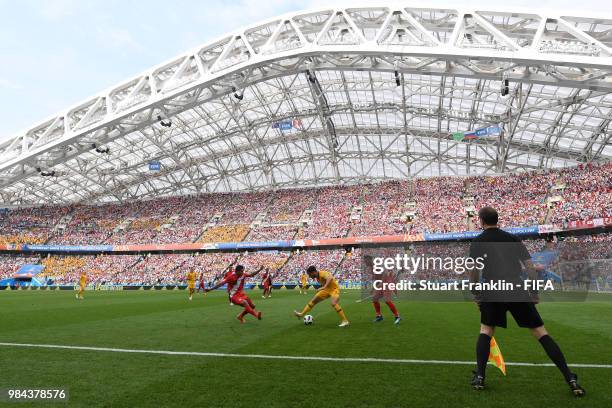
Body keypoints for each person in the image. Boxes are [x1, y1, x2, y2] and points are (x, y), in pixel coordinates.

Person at [468, 207, 585, 396]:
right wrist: (534, 291)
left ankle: (480, 376)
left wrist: (475, 292)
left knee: (486, 330)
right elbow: (530, 268)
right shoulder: (513, 239)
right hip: (516, 287)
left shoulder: (479, 241)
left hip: (493, 289)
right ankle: (570, 378)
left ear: (481, 221)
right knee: (540, 332)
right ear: (497, 219)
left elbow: (473, 270)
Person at [364, 255, 401, 324]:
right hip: (382, 283)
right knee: (375, 298)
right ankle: (379, 316)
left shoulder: (376, 266)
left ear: (369, 260)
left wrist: (374, 288)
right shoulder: (372, 267)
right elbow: (377, 278)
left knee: (387, 300)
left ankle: (397, 316)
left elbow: (384, 276)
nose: (364, 262)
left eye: (365, 260)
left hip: (386, 282)